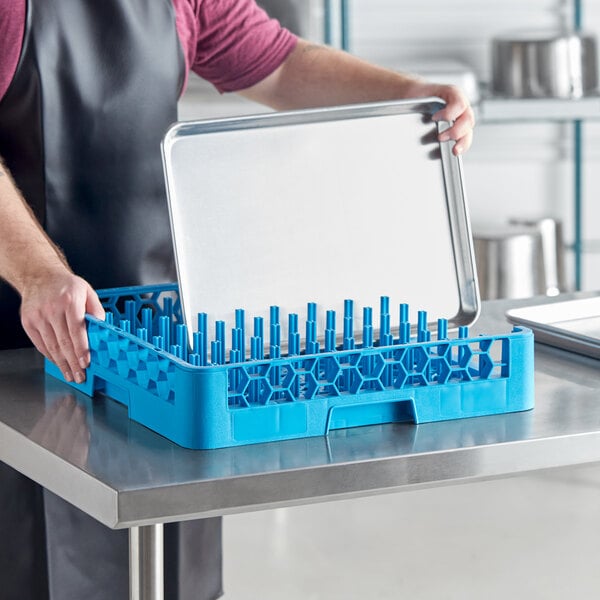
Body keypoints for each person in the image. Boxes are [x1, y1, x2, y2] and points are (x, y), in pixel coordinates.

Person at [0, 0, 474, 598]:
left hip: (161, 347)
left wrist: (410, 96)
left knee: (176, 567)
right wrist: (39, 274)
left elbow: (281, 65)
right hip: (25, 344)